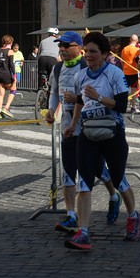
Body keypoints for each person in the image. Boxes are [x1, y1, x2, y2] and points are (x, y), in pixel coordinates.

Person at [64, 31, 140, 250]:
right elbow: (81, 102)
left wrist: (98, 97)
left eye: (93, 52)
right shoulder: (81, 76)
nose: (88, 55)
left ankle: (133, 216)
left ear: (105, 54)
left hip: (112, 133)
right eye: (86, 51)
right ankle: (84, 231)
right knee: (84, 181)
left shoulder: (115, 73)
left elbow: (121, 106)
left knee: (118, 179)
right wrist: (73, 125)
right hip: (88, 133)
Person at [45, 31, 121, 233]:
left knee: (98, 169)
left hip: (89, 129)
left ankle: (114, 196)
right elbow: (53, 93)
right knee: (68, 172)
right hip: (68, 128)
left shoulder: (87, 66)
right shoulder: (58, 68)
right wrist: (52, 110)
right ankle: (71, 215)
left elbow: (100, 94)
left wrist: (78, 99)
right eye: (60, 46)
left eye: (67, 46)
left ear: (79, 48)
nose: (62, 50)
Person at [0, 34, 17, 118]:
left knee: (1, 94)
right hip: (6, 74)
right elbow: (11, 64)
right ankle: (6, 108)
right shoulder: (10, 51)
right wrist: (14, 75)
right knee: (13, 90)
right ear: (10, 42)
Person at [120, 34, 140, 112]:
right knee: (133, 90)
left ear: (130, 40)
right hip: (134, 71)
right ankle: (133, 106)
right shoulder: (137, 50)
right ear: (137, 41)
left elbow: (121, 60)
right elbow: (138, 61)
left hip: (125, 71)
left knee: (124, 90)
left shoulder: (124, 49)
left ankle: (124, 105)